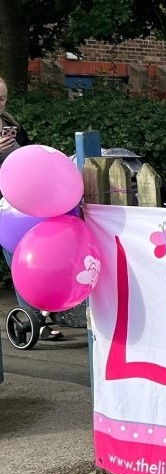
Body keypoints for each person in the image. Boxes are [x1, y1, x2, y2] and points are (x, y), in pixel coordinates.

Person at [0, 75, 62, 341]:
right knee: (16, 259)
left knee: (24, 261)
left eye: (2, 98)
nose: (0, 103)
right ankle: (32, 319)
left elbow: (30, 155)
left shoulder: (11, 123)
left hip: (17, 204)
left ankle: (36, 321)